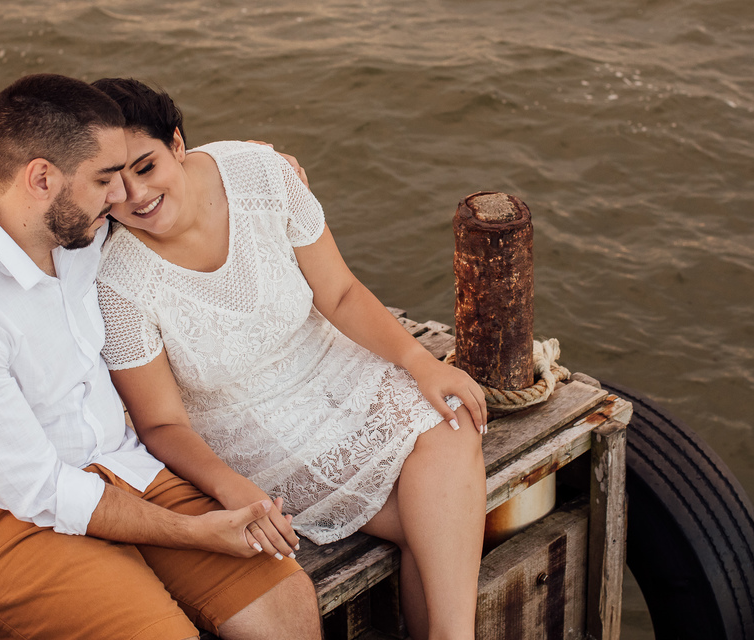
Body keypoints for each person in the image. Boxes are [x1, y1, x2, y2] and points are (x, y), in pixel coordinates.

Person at [0, 74, 322, 640]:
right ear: (41, 178)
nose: (123, 196)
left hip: (117, 466)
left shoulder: (74, 224)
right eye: (105, 179)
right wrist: (195, 533)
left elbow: (161, 154)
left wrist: (251, 162)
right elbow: (40, 491)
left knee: (284, 595)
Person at [91, 78, 488, 640]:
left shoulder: (262, 174)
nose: (134, 195)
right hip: (254, 430)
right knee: (437, 523)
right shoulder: (116, 279)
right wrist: (232, 488)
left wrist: (422, 362)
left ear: (177, 144)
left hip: (336, 367)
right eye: (111, 181)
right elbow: (160, 422)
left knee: (451, 425)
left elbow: (341, 293)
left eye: (146, 166)